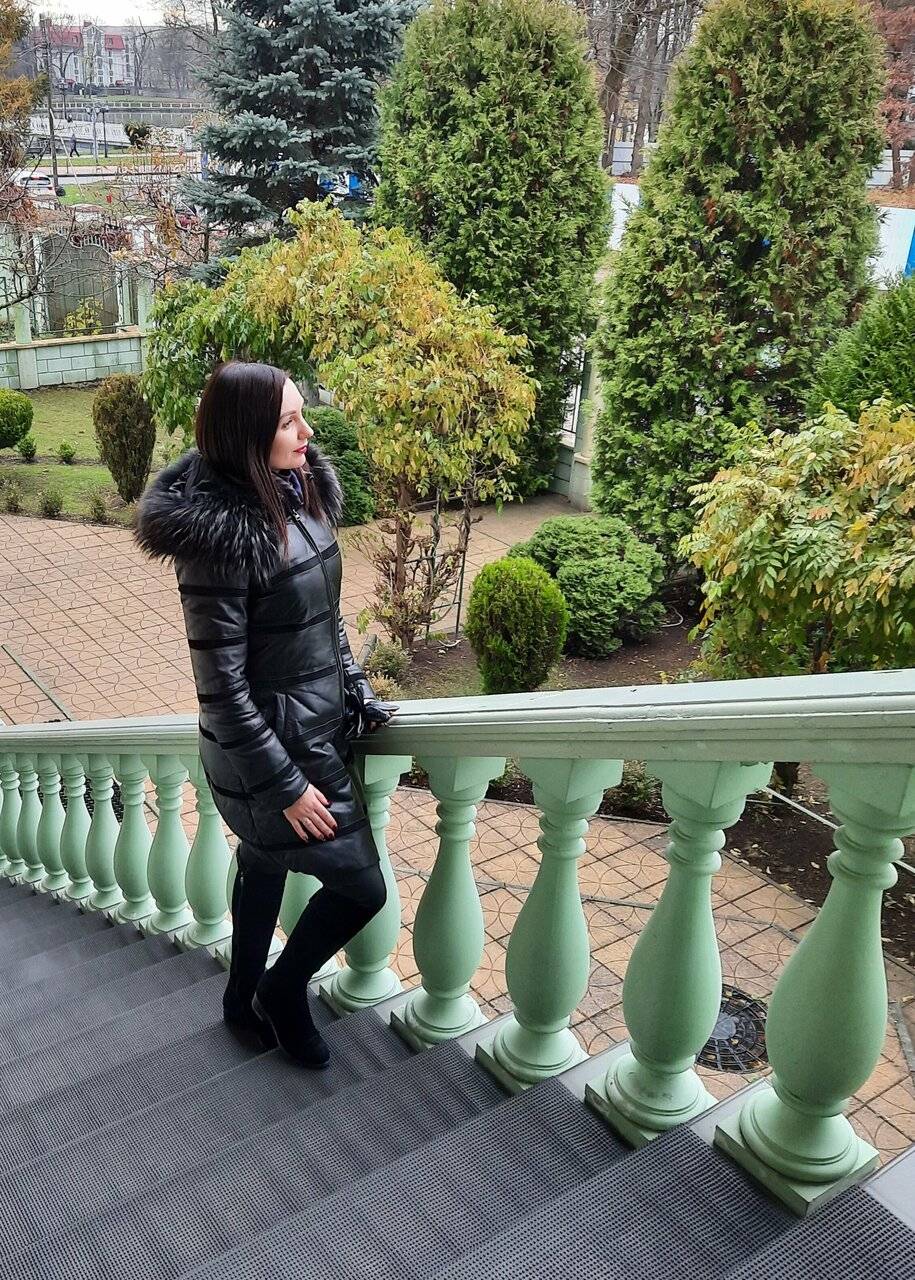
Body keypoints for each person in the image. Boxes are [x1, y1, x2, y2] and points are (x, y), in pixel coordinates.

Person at [135, 361, 396, 1069]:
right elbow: (220, 691)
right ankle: (282, 990)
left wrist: (355, 686)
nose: (307, 432)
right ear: (248, 434)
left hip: (313, 726)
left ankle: (238, 999)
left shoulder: (298, 491)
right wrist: (285, 786)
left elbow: (325, 620)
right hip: (270, 749)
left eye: (301, 414)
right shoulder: (218, 542)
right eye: (288, 421)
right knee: (361, 887)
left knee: (263, 860)